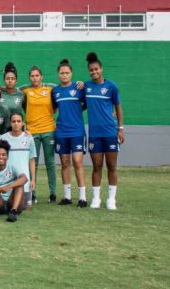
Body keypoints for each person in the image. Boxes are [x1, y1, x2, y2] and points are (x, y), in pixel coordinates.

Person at [85, 52, 124, 210]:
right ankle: (96, 199)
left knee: (112, 166)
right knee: (96, 166)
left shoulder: (111, 87)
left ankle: (111, 199)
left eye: (96, 69)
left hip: (110, 132)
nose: (94, 72)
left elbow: (118, 109)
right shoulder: (86, 87)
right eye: (91, 70)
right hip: (95, 134)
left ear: (101, 69)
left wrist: (120, 129)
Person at [52, 59, 87, 207]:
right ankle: (67, 196)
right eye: (62, 73)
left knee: (78, 162)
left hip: (77, 131)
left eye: (67, 73)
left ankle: (83, 198)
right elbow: (53, 109)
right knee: (65, 163)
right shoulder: (55, 91)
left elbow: (88, 102)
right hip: (61, 131)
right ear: (58, 74)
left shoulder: (79, 87)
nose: (64, 75)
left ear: (71, 73)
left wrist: (78, 110)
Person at [22, 66, 57, 203]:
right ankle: (33, 192)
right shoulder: (25, 90)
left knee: (50, 163)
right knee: (33, 163)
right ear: (29, 78)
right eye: (32, 76)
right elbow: (12, 90)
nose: (35, 78)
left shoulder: (49, 89)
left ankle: (53, 193)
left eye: (37, 75)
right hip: (32, 132)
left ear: (41, 76)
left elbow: (61, 86)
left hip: (49, 129)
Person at [0, 112, 37, 209]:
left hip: (25, 180)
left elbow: (32, 160)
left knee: (26, 208)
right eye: (14, 121)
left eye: (19, 121)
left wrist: (33, 179)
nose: (16, 123)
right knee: (4, 206)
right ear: (10, 123)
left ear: (23, 123)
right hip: (7, 180)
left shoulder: (29, 138)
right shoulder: (3, 138)